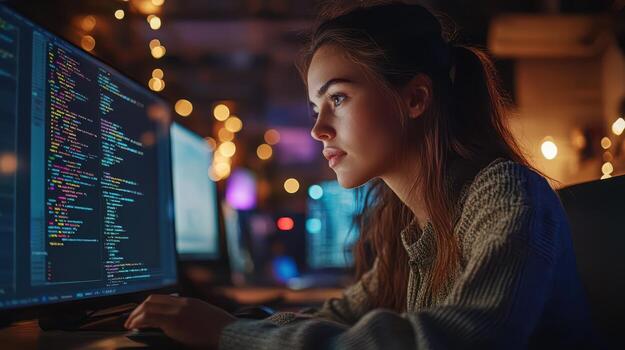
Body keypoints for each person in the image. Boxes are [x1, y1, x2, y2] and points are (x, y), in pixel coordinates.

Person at [124, 2, 598, 349]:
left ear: (415, 98)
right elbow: (343, 316)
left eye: (339, 98)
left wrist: (227, 333)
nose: (317, 128)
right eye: (315, 106)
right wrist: (224, 324)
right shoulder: (409, 225)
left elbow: (460, 340)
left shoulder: (507, 193)